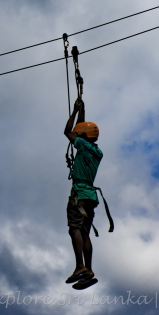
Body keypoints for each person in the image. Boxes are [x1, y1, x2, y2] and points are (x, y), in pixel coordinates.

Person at [63, 98, 102, 290]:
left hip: (79, 193)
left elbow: (68, 132)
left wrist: (73, 111)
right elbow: (80, 131)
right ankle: (89, 269)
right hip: (91, 197)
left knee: (74, 229)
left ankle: (79, 266)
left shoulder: (82, 145)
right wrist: (82, 111)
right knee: (85, 231)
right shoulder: (96, 151)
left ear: (83, 136)